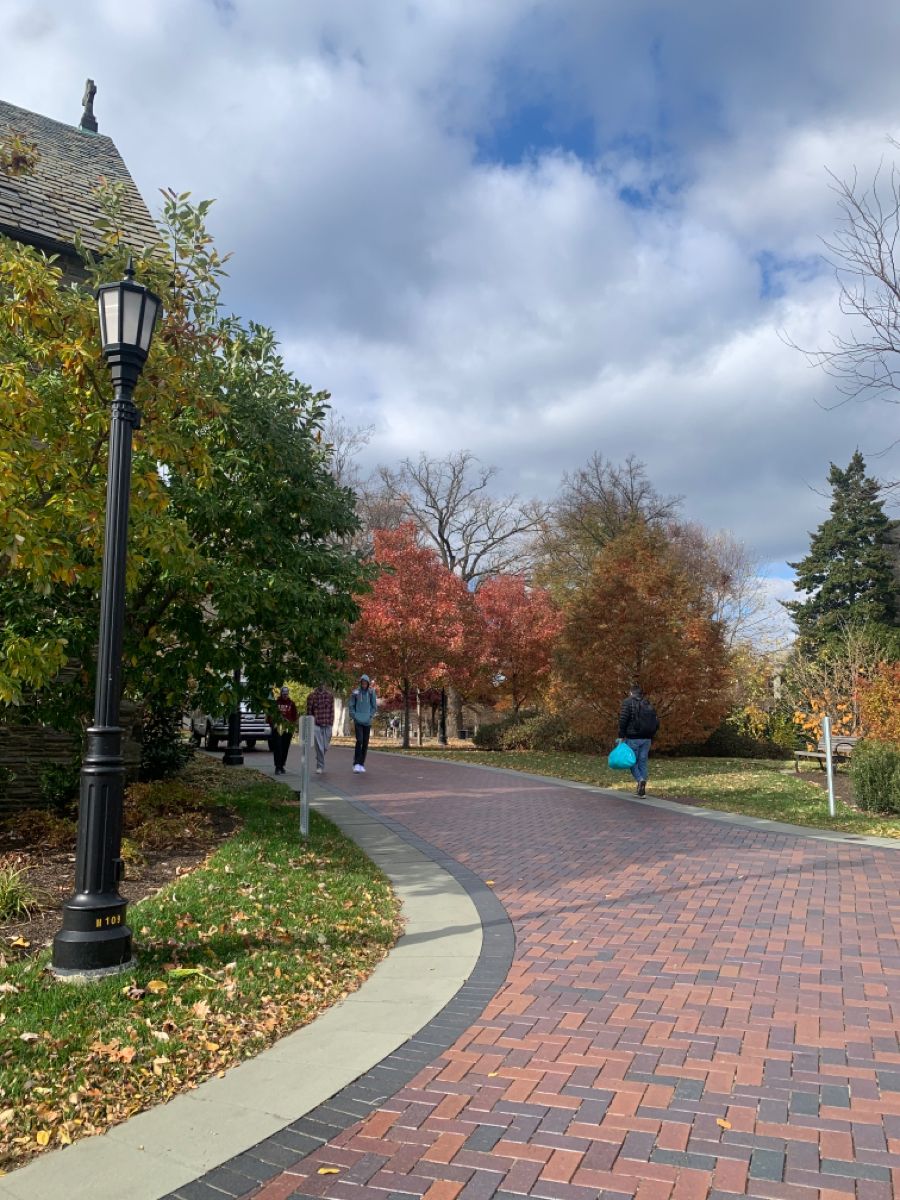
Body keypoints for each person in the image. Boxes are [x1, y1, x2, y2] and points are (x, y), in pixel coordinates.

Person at [617, 684, 659, 797]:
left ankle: (640, 780)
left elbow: (623, 719)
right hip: (647, 738)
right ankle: (642, 791)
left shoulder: (628, 702)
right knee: (642, 763)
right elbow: (656, 722)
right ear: (641, 694)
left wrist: (621, 735)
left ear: (631, 692)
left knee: (631, 762)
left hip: (633, 738)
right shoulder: (647, 703)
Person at [349, 674, 378, 773]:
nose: (364, 684)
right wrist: (354, 715)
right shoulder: (355, 692)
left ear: (368, 683)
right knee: (359, 740)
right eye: (363, 683)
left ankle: (361, 764)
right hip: (358, 720)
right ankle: (356, 763)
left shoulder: (371, 692)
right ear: (360, 683)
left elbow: (374, 706)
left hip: (367, 721)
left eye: (366, 683)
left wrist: (370, 715)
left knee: (365, 742)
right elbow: (351, 705)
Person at [306, 681, 334, 775]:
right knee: (319, 747)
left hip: (327, 723)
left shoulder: (330, 696)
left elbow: (332, 710)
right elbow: (309, 712)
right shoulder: (311, 696)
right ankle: (320, 766)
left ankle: (319, 756)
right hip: (316, 725)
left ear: (325, 684)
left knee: (325, 747)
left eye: (323, 683)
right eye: (320, 683)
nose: (321, 685)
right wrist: (310, 725)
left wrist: (331, 722)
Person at [269, 686, 298, 775]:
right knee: (278, 747)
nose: (285, 695)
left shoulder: (291, 703)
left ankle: (282, 765)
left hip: (288, 728)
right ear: (281, 693)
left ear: (288, 694)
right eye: (283, 694)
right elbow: (270, 715)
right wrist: (272, 724)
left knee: (285, 747)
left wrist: (293, 726)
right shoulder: (276, 703)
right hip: (278, 727)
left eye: (286, 694)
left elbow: (294, 716)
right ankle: (277, 767)